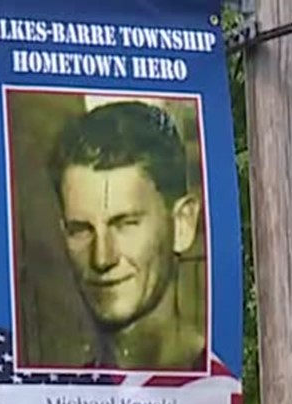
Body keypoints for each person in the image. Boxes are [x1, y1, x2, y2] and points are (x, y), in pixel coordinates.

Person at [46, 100, 206, 372]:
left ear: (182, 224)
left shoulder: (226, 392)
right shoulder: (62, 402)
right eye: (81, 230)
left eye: (125, 224)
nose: (102, 258)